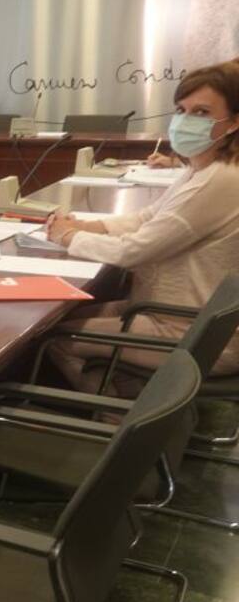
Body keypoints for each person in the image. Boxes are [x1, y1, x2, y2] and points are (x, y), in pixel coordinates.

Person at [44, 61, 239, 394]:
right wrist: (91, 225)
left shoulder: (221, 179)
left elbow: (134, 251)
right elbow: (147, 218)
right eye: (181, 110)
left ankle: (119, 419)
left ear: (234, 122)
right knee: (61, 319)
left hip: (193, 330)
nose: (186, 120)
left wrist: (69, 236)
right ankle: (131, 390)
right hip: (178, 313)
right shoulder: (203, 169)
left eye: (202, 112)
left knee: (57, 338)